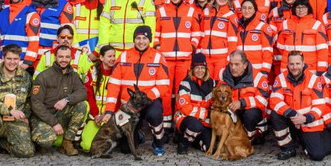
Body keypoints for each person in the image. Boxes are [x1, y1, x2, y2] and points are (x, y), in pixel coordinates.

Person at [106, 26, 172, 155]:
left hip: (149, 102)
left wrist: (145, 98)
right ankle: (139, 136)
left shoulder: (158, 57)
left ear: (150, 40)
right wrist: (109, 110)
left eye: (144, 38)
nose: (141, 41)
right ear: (134, 39)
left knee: (155, 114)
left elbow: (164, 85)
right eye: (138, 38)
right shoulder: (124, 57)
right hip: (128, 106)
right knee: (126, 150)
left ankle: (158, 142)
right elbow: (113, 85)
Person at [269, 51, 331, 161]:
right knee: (275, 114)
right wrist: (294, 115)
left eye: (298, 64)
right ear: (287, 64)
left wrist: (305, 118)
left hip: (308, 122)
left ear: (303, 63)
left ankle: (305, 143)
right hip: (291, 120)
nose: (295, 67)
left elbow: (320, 106)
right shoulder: (280, 79)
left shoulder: (314, 80)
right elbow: (275, 101)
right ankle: (288, 148)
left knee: (318, 155)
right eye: (291, 64)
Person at [29, 43, 91, 155]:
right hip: (43, 117)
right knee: (47, 141)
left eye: (67, 57)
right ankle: (36, 138)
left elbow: (82, 92)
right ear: (55, 57)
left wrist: (67, 99)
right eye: (61, 57)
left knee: (82, 105)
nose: (64, 60)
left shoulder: (73, 75)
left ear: (71, 58)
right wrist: (53, 123)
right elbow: (36, 104)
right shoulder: (43, 77)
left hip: (60, 114)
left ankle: (67, 142)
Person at [0, 44, 37, 158]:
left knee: (26, 152)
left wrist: (26, 116)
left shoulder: (25, 77)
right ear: (3, 59)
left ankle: (4, 144)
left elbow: (29, 101)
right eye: (9, 58)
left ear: (20, 60)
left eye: (15, 59)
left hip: (16, 121)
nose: (12, 62)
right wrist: (9, 110)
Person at [173, 54, 219, 153]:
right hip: (185, 118)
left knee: (209, 148)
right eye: (197, 67)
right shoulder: (185, 83)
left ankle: (193, 140)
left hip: (204, 122)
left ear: (206, 69)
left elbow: (216, 103)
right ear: (192, 69)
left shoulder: (212, 83)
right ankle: (183, 142)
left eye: (202, 67)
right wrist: (206, 114)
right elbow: (185, 108)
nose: (200, 70)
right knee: (195, 126)